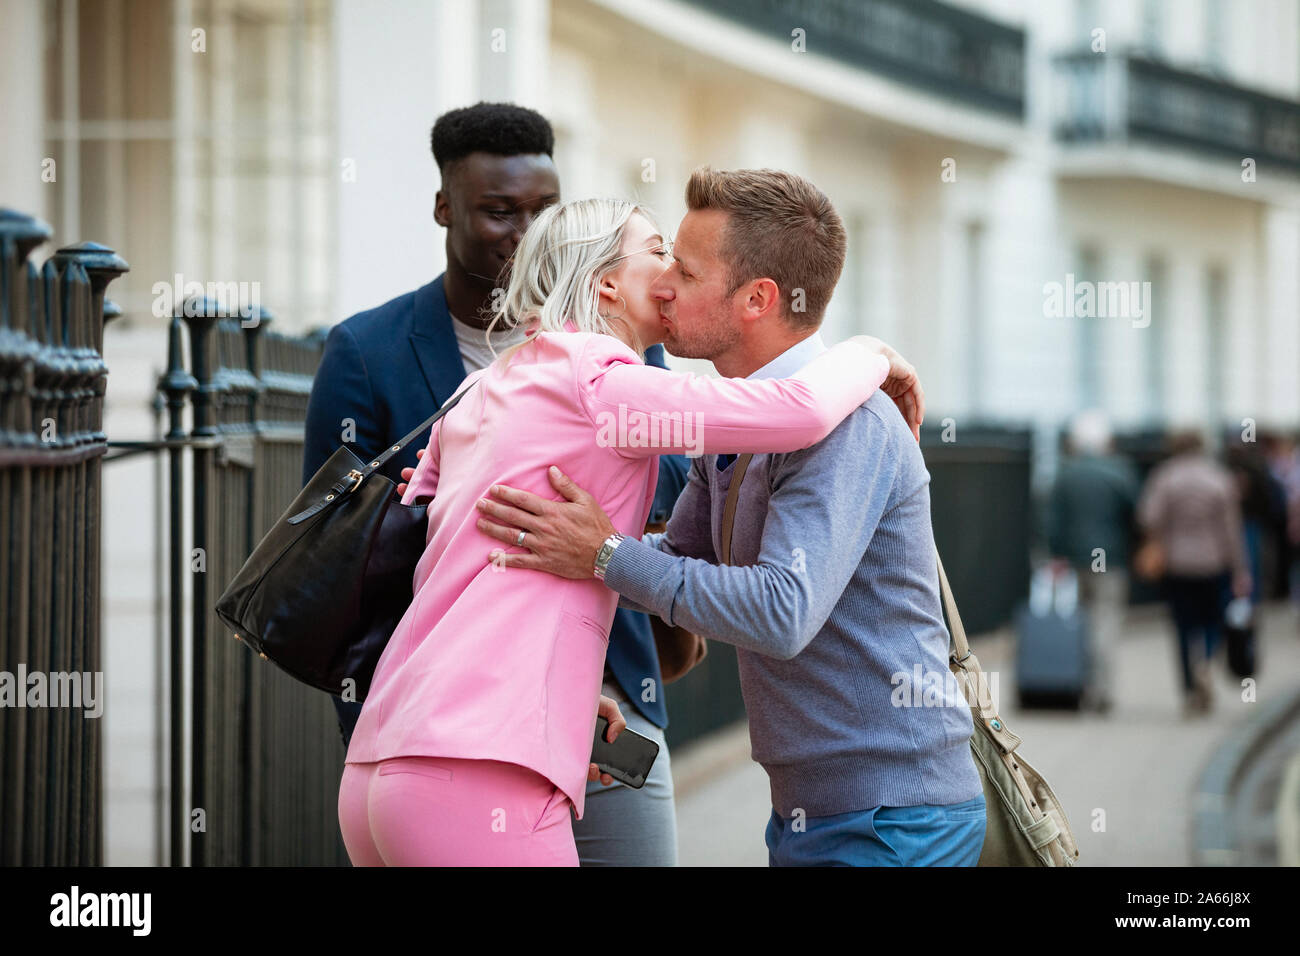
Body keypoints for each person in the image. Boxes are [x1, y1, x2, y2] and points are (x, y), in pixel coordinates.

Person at [337, 194, 916, 866]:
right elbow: (802, 410)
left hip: (383, 762)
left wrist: (567, 694)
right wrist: (872, 352)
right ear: (607, 282)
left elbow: (470, 569)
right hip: (476, 768)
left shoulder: (484, 388)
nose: (671, 272)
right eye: (657, 251)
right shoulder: (600, 383)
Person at [477, 167, 987, 867]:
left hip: (893, 818)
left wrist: (604, 553)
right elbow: (680, 557)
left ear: (756, 299)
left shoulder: (848, 427)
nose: (664, 287)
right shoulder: (737, 427)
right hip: (819, 812)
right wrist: (571, 544)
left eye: (684, 271)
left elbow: (782, 611)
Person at [302, 102, 693, 865]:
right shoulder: (367, 350)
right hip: (454, 728)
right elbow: (342, 559)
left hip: (613, 701)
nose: (526, 231)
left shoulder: (618, 337)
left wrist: (583, 518)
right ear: (445, 208)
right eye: (498, 211)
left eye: (544, 210)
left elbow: (672, 488)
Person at [1137, 430, 1251, 716]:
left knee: (1182, 626)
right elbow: (1232, 530)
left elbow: (1148, 517)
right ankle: (1208, 661)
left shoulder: (1165, 477)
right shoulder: (1218, 478)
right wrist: (1241, 569)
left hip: (1177, 564)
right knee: (1212, 620)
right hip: (1213, 562)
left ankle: (1190, 688)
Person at [1046, 410, 1139, 713]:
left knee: (1082, 623)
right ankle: (1102, 690)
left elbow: (1052, 520)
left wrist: (1056, 555)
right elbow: (1136, 514)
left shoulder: (1066, 473)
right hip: (1110, 559)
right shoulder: (1119, 472)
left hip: (1075, 560)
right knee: (1106, 622)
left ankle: (1081, 685)